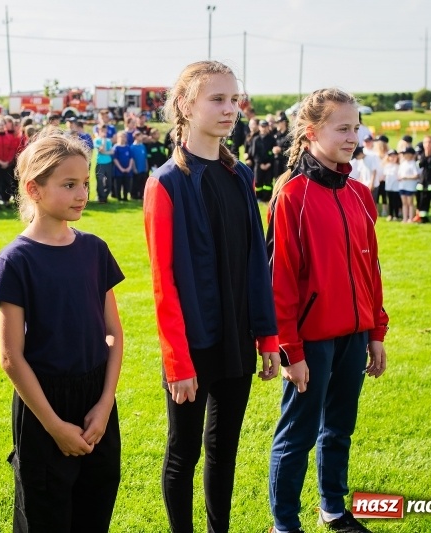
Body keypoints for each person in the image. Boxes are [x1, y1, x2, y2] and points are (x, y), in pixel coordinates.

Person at [144, 60, 279, 533]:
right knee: (183, 453)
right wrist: (178, 363)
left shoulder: (241, 175)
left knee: (224, 451)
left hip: (237, 340)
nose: (229, 109)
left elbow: (256, 263)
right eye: (217, 99)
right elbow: (163, 283)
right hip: (191, 345)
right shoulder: (166, 182)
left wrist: (266, 336)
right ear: (185, 105)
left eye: (234, 99)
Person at [266, 88, 388, 533]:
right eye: (342, 128)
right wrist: (290, 350)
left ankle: (333, 509)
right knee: (297, 435)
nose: (352, 137)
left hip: (355, 336)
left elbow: (370, 268)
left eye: (356, 127)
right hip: (310, 342)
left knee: (339, 428)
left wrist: (376, 332)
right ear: (312, 132)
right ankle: (284, 525)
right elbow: (279, 281)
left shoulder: (360, 193)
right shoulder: (291, 196)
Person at [0, 130, 124, 532]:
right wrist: (53, 425)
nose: (82, 194)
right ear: (34, 189)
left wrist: (105, 404)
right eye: (68, 185)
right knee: (45, 515)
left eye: (85, 182)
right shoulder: (17, 260)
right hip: (43, 405)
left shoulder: (94, 249)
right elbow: (11, 357)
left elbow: (113, 334)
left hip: (96, 401)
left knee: (94, 510)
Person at [251, 120, 276, 201]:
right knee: (258, 182)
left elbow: (273, 153)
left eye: (265, 126)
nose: (264, 128)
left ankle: (267, 198)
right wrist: (260, 163)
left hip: (269, 164)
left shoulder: (272, 139)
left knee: (268, 182)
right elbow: (254, 153)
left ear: (268, 127)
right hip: (259, 165)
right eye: (262, 126)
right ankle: (258, 197)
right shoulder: (256, 139)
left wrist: (269, 163)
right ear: (259, 127)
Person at [112, 131, 134, 202]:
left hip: (128, 170)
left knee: (126, 184)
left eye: (124, 137)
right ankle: (119, 198)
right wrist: (121, 168)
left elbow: (131, 158)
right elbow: (115, 159)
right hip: (118, 170)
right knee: (118, 184)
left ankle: (125, 197)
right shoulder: (116, 147)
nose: (123, 138)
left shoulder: (128, 147)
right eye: (121, 137)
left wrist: (129, 167)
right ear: (118, 138)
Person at [94, 127, 114, 203]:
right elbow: (102, 149)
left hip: (108, 163)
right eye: (102, 131)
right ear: (99, 131)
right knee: (100, 180)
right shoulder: (97, 140)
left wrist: (104, 152)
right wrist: (103, 140)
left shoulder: (109, 140)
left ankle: (105, 196)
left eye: (105, 131)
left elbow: (112, 152)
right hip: (100, 163)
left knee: (109, 181)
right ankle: (101, 197)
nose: (104, 132)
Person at [130, 131, 148, 200]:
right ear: (136, 137)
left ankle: (141, 195)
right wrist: (134, 168)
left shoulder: (143, 146)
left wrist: (146, 166)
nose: (141, 137)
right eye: (140, 136)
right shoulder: (132, 147)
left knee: (142, 182)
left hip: (143, 168)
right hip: (137, 168)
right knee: (136, 182)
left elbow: (145, 158)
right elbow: (132, 159)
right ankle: (134, 195)